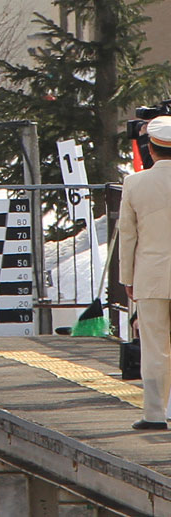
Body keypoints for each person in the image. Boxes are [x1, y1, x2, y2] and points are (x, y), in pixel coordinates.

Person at [118, 116, 171, 430]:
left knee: (154, 347)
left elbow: (128, 236)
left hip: (150, 277)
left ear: (151, 150)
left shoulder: (135, 183)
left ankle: (154, 413)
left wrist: (128, 278)